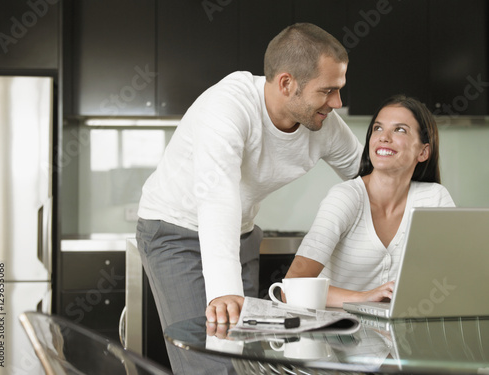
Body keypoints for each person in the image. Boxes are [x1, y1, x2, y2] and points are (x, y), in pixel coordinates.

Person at [136, 23, 363, 374]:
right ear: (287, 83)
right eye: (328, 91)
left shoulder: (324, 124)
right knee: (211, 365)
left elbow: (367, 177)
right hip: (174, 230)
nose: (337, 103)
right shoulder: (227, 107)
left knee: (246, 362)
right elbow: (217, 199)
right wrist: (224, 291)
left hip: (239, 234)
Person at [284, 95, 456, 308]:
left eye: (400, 130)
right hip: (336, 336)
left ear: (423, 152)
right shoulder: (345, 198)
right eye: (377, 128)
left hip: (401, 336)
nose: (384, 137)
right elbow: (291, 287)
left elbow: (457, 278)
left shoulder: (434, 199)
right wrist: (363, 298)